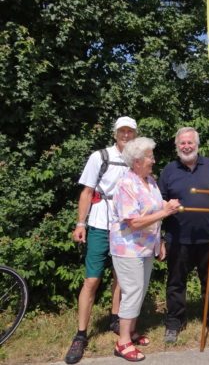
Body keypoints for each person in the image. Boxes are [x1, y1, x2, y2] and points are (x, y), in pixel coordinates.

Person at [65, 116, 137, 364]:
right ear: (115, 133)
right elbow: (86, 191)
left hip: (125, 225)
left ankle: (115, 318)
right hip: (99, 223)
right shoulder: (100, 157)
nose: (126, 135)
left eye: (130, 131)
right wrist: (80, 223)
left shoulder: (136, 159)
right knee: (92, 279)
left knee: (122, 277)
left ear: (135, 134)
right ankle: (81, 334)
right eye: (122, 131)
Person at [158, 127, 209, 344]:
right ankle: (174, 322)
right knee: (175, 282)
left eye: (190, 142)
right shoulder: (169, 170)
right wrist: (166, 205)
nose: (186, 146)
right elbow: (159, 200)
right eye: (182, 143)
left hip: (208, 237)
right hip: (177, 237)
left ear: (197, 144)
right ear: (177, 146)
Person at [111, 137, 180, 361]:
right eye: (150, 156)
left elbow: (155, 212)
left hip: (147, 246)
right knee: (132, 291)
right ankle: (122, 343)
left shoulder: (149, 180)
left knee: (140, 290)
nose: (154, 160)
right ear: (138, 160)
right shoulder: (126, 184)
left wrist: (159, 241)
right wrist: (167, 212)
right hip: (128, 248)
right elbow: (134, 222)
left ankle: (131, 331)